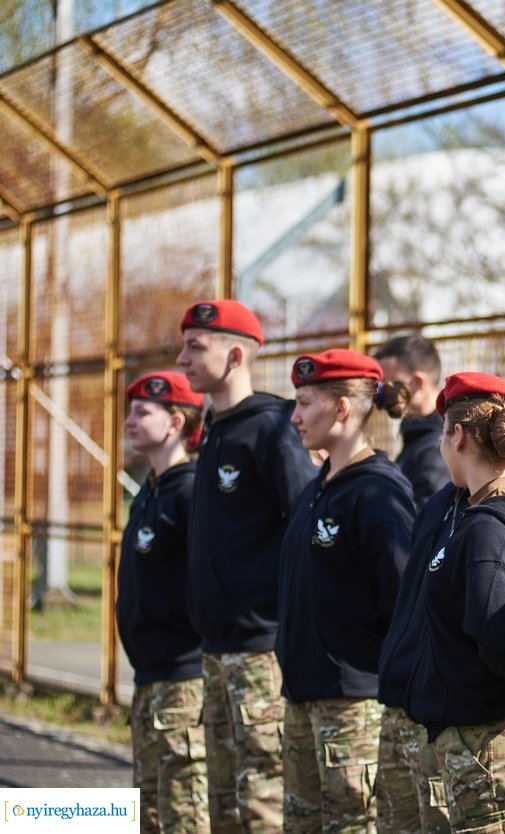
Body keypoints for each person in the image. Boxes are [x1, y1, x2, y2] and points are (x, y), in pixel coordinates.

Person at [375, 372, 505, 834]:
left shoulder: (489, 525)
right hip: (472, 738)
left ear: (457, 435)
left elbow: (495, 628)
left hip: (495, 743)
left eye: (444, 433)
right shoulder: (467, 508)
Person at [176, 299, 318, 833]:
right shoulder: (217, 428)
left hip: (261, 646)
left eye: (196, 346)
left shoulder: (272, 427)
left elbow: (306, 527)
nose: (182, 357)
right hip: (216, 646)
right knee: (224, 801)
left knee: (261, 797)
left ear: (235, 355)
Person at [276, 349, 418, 833]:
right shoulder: (319, 486)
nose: (293, 415)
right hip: (302, 697)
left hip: (352, 706)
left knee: (351, 824)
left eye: (304, 402)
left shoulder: (377, 493)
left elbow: (403, 602)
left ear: (341, 408)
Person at [118, 371, 210, 834]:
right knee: (150, 813)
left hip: (183, 679)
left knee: (184, 814)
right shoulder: (150, 491)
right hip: (150, 676)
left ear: (175, 422)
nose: (129, 419)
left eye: (142, 411)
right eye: (130, 409)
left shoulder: (192, 492)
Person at [373, 334, 449, 507]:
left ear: (417, 383)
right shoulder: (417, 438)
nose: (380, 394)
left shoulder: (438, 448)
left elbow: (422, 519)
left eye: (388, 384)